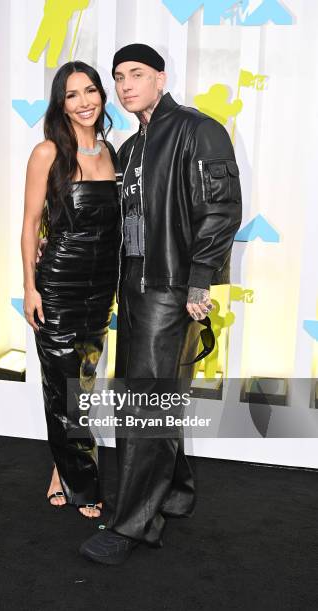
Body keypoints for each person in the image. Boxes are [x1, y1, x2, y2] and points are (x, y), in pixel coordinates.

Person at [80, 44, 242, 563]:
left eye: (137, 74)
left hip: (171, 291)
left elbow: (221, 210)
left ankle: (131, 527)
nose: (126, 85)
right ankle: (174, 493)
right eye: (119, 77)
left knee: (143, 407)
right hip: (134, 290)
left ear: (160, 77)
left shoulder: (198, 130)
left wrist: (199, 283)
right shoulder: (129, 148)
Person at [21, 61, 121, 519]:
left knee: (81, 382)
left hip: (102, 286)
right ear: (60, 103)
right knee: (62, 388)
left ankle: (62, 469)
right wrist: (30, 286)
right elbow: (30, 225)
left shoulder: (111, 152)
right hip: (59, 282)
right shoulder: (47, 152)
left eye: (91, 91)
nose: (85, 102)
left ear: (101, 95)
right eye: (72, 95)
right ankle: (83, 485)